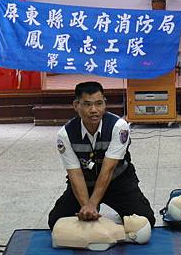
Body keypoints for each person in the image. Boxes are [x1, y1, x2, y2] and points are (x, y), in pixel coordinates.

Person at [48, 81, 155, 230]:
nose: (94, 110)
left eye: (99, 103)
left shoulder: (119, 127)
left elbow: (108, 170)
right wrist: (87, 207)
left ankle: (116, 209)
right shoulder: (65, 134)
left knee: (146, 221)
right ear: (76, 105)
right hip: (85, 183)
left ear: (105, 104)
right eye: (87, 104)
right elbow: (75, 174)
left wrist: (92, 204)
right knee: (55, 222)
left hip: (117, 181)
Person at [51, 214, 151, 251]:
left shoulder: (107, 236)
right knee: (54, 217)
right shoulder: (111, 226)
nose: (134, 215)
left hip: (60, 232)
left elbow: (84, 238)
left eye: (138, 220)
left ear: (133, 235)